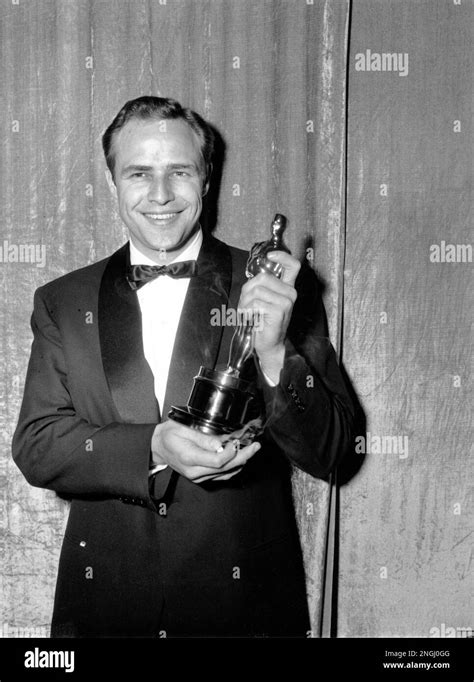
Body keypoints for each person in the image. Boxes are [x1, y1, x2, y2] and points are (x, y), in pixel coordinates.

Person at [12, 96, 354, 638]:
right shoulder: (61, 299)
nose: (161, 195)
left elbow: (335, 451)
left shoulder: (272, 284)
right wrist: (152, 445)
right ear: (112, 184)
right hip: (105, 613)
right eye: (139, 173)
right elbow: (37, 445)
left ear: (207, 179)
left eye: (180, 172)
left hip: (245, 614)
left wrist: (273, 353)